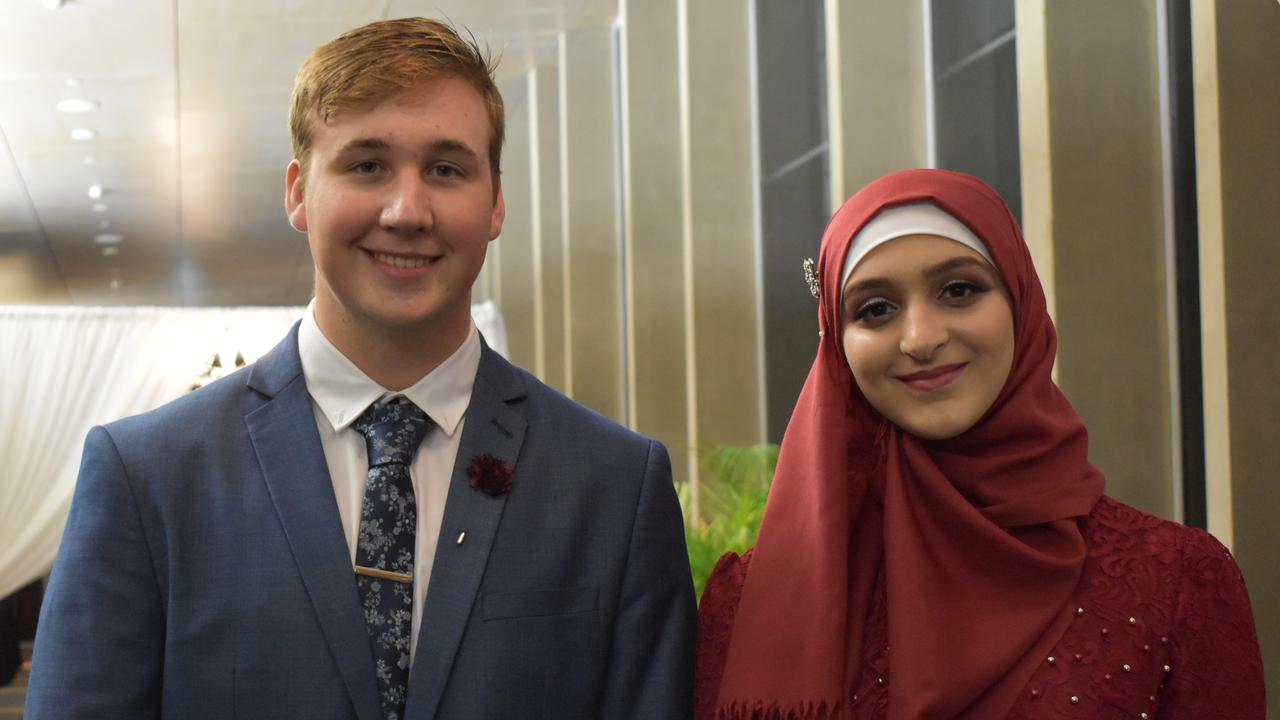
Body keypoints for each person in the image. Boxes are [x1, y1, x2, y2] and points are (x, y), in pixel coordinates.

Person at [27, 17, 695, 720]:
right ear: (297, 193)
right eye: (366, 165)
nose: (407, 211)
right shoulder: (149, 479)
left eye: (446, 169)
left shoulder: (614, 488)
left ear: (495, 201)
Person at [695, 169, 1265, 719]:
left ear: (1021, 302)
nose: (921, 338)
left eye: (959, 290)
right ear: (838, 346)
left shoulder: (1175, 584)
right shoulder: (753, 604)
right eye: (875, 309)